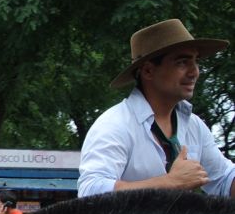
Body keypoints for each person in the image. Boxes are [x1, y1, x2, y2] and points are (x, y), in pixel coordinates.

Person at [78, 19, 234, 198]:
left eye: (196, 61)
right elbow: (91, 192)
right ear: (148, 71)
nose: (194, 72)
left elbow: (224, 179)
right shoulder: (114, 124)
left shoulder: (194, 126)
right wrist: (170, 183)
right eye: (182, 62)